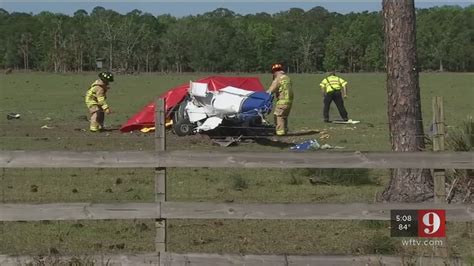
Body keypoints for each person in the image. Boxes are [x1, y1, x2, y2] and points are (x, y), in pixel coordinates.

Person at [267, 63, 293, 136]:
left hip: (282, 101)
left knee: (278, 116)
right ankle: (285, 130)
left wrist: (264, 95)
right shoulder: (287, 78)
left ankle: (280, 133)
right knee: (284, 116)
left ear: (274, 72)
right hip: (289, 101)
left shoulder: (278, 78)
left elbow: (271, 90)